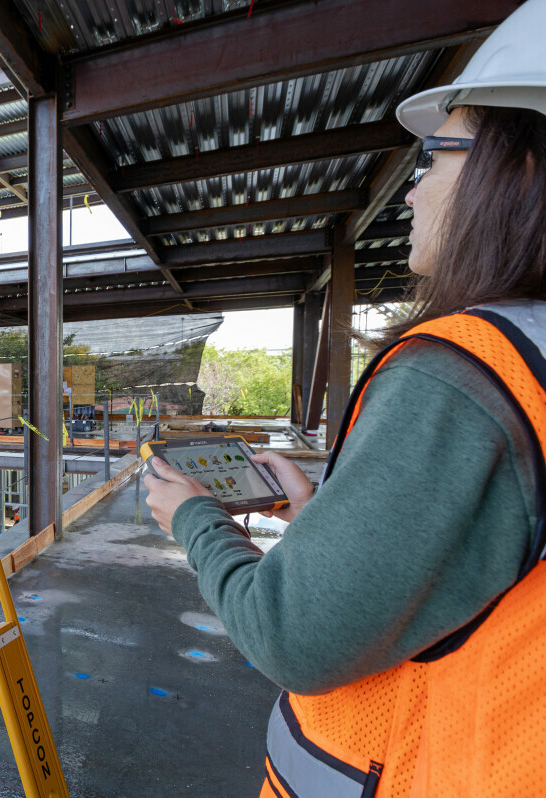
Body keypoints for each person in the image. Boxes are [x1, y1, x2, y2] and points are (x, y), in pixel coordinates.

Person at [144, 5, 546, 795]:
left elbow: (291, 636)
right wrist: (326, 514)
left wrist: (192, 517)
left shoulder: (464, 368)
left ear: (521, 167)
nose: (412, 194)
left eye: (435, 157)